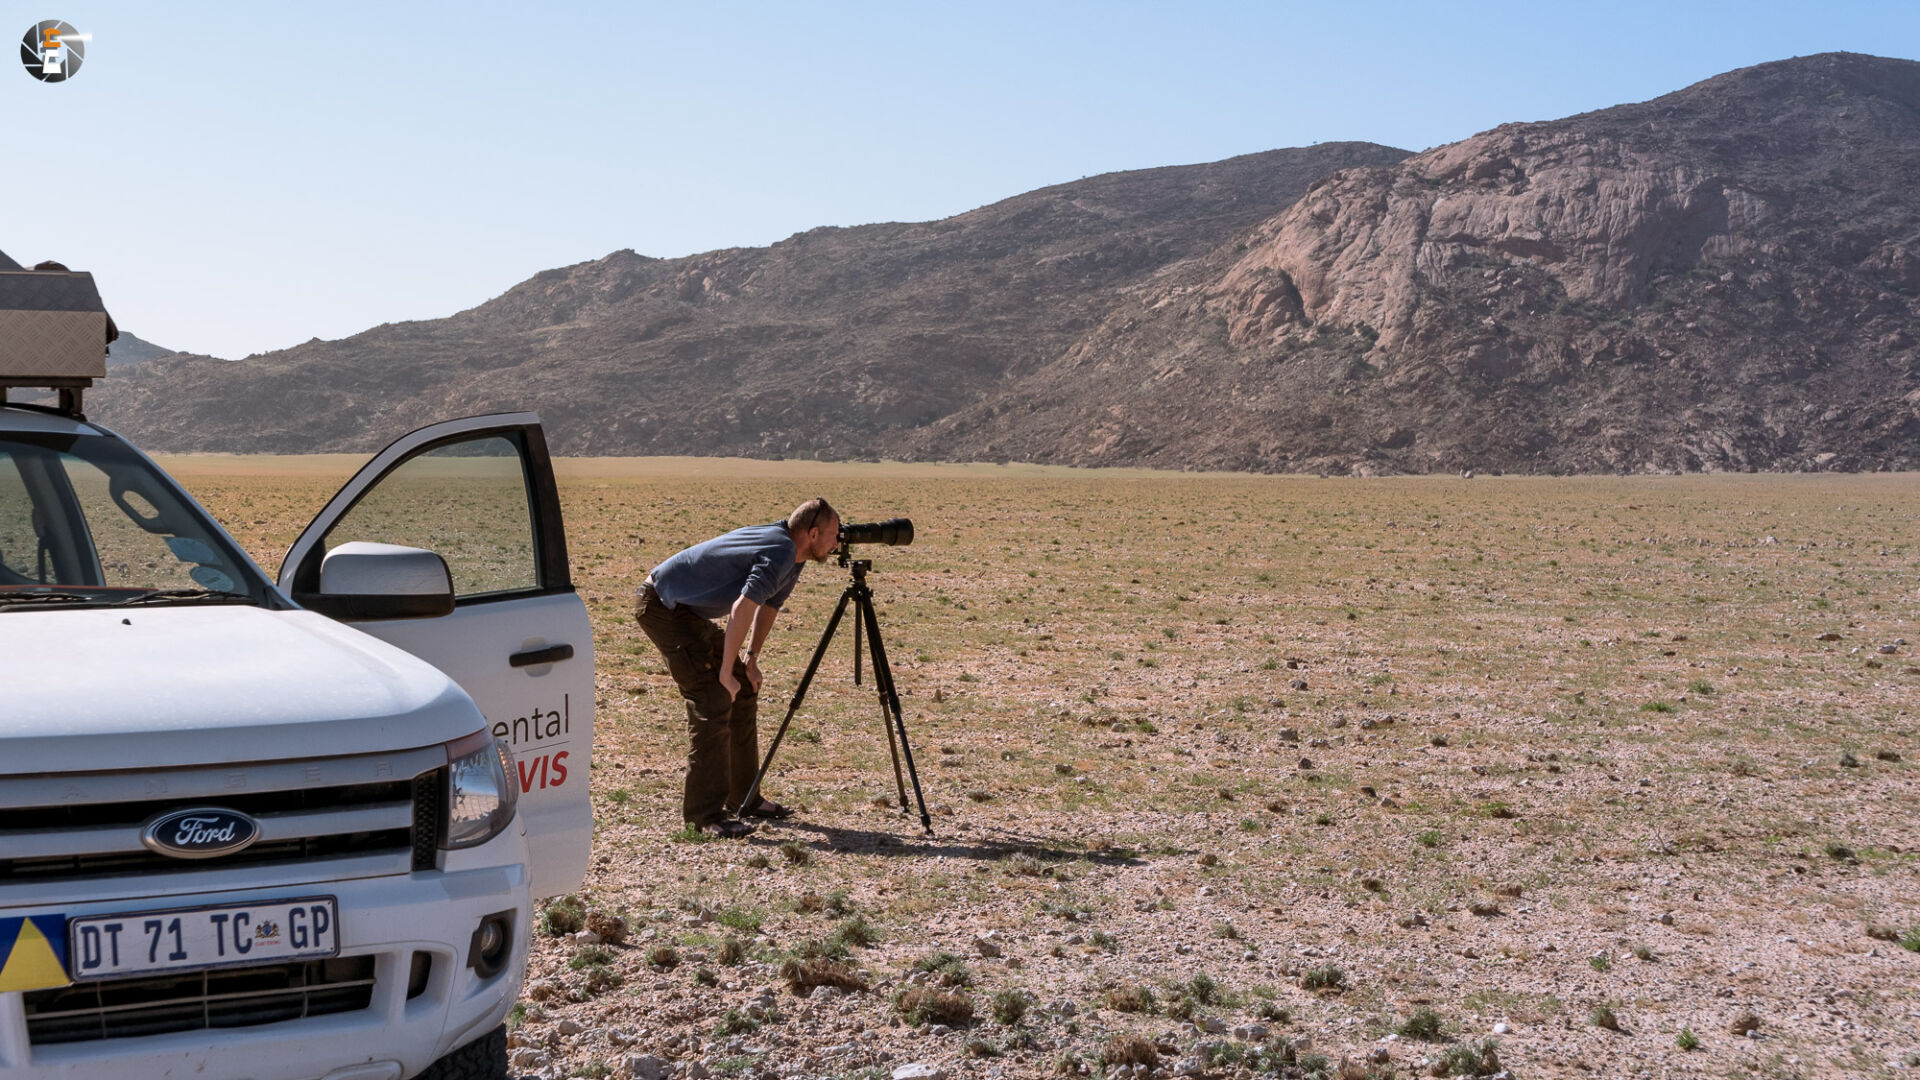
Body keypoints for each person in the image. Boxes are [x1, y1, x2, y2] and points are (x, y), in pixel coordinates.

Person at [636, 498, 840, 837]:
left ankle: (744, 798)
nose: (838, 543)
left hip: (687, 610)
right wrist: (724, 671)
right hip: (662, 606)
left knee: (743, 687)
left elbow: (768, 606)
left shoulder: (794, 554)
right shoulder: (779, 551)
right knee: (713, 698)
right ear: (813, 532)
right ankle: (704, 818)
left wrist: (750, 660)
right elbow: (742, 607)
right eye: (833, 535)